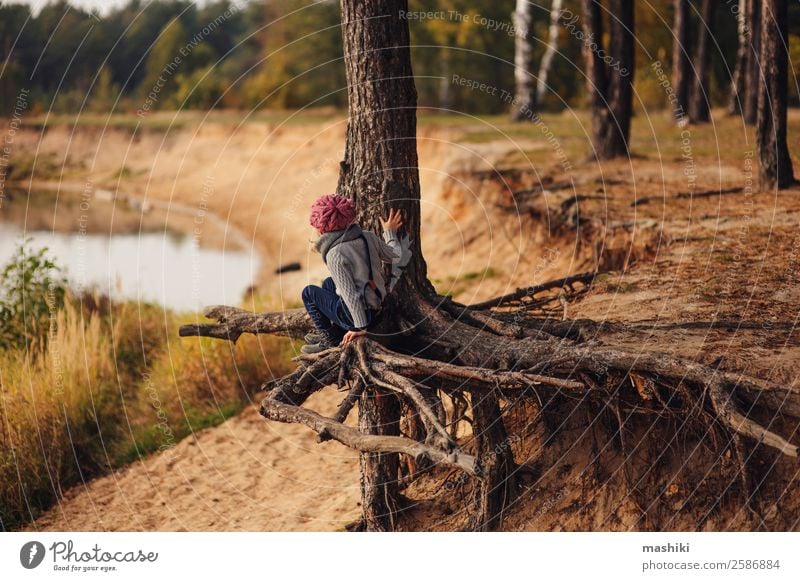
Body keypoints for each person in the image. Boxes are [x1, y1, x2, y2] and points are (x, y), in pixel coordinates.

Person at [301, 194, 404, 354]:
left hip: (360, 316)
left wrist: (361, 327)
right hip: (376, 306)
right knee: (329, 282)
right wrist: (390, 232)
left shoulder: (334, 254)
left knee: (308, 293)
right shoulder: (367, 236)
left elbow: (350, 295)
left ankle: (330, 340)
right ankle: (336, 331)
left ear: (320, 229)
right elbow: (396, 255)